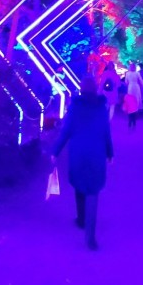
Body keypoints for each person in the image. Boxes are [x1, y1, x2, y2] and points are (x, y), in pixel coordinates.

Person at [52, 73, 114, 250]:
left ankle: (80, 219)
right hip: (96, 153)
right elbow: (106, 132)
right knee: (93, 192)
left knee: (79, 186)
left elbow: (66, 131)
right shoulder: (102, 109)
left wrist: (55, 151)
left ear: (81, 89)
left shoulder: (75, 108)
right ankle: (90, 236)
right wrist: (110, 153)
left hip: (78, 153)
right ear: (95, 89)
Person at [124, 61, 143, 129]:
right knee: (136, 101)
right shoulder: (137, 73)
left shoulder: (127, 73)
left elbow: (126, 82)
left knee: (130, 101)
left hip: (130, 87)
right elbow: (142, 82)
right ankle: (135, 118)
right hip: (136, 87)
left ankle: (130, 118)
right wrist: (141, 87)